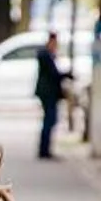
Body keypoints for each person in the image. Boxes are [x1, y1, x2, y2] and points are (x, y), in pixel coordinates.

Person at [35, 31, 69, 159]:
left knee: (50, 120)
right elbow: (53, 74)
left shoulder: (47, 54)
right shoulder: (45, 55)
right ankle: (44, 150)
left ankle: (45, 149)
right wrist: (66, 75)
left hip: (48, 92)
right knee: (50, 119)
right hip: (48, 93)